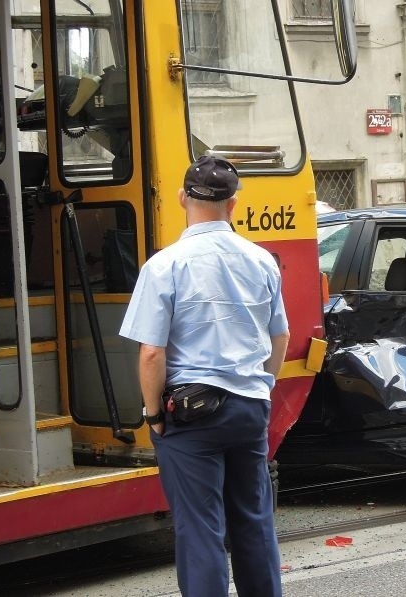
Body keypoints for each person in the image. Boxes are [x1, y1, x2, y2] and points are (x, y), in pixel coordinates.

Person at [119, 155, 289, 597]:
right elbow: (281, 337)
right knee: (254, 519)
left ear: (181, 199)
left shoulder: (164, 266)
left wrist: (154, 416)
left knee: (200, 529)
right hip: (250, 406)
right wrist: (263, 388)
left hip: (191, 416)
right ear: (233, 204)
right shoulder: (262, 260)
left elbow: (152, 353)